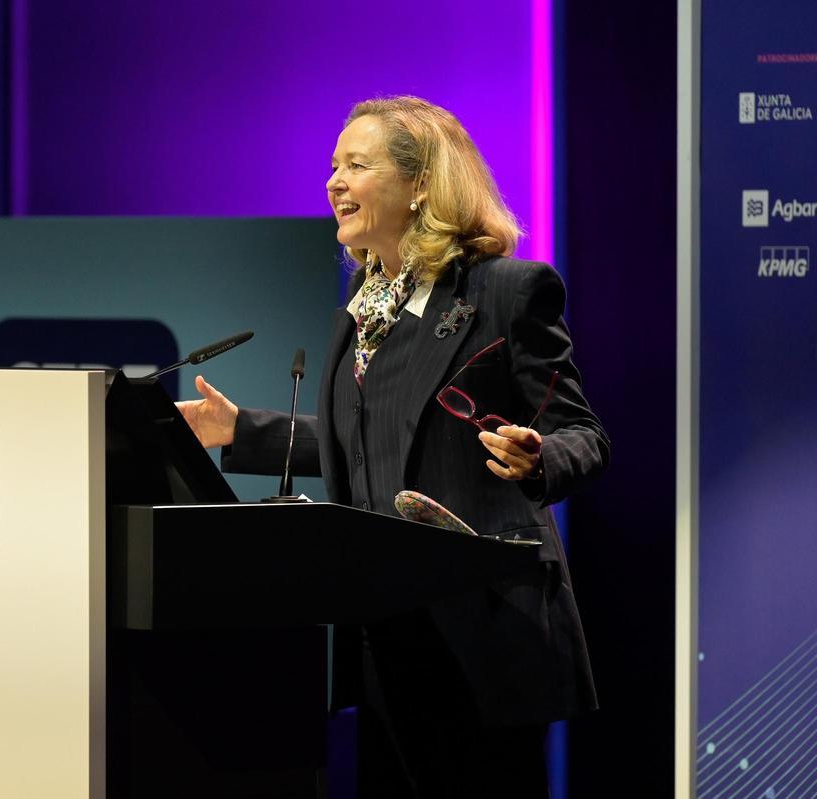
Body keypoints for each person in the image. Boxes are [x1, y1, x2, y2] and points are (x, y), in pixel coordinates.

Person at [177, 96, 609, 797]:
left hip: (481, 635)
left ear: (418, 186)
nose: (334, 182)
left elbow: (585, 437)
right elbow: (374, 442)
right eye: (331, 167)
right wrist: (242, 432)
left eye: (357, 165)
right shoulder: (360, 314)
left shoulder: (506, 294)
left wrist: (539, 458)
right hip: (383, 634)